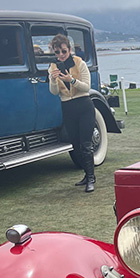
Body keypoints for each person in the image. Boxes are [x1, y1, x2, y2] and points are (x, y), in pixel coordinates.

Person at [48, 34, 96, 192]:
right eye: (57, 52)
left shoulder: (79, 63)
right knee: (75, 145)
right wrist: (53, 80)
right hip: (67, 107)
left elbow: (87, 87)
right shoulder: (53, 67)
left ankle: (91, 178)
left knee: (86, 144)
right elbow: (54, 92)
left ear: (69, 50)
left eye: (63, 51)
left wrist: (72, 80)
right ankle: (86, 174)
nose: (61, 55)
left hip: (84, 105)